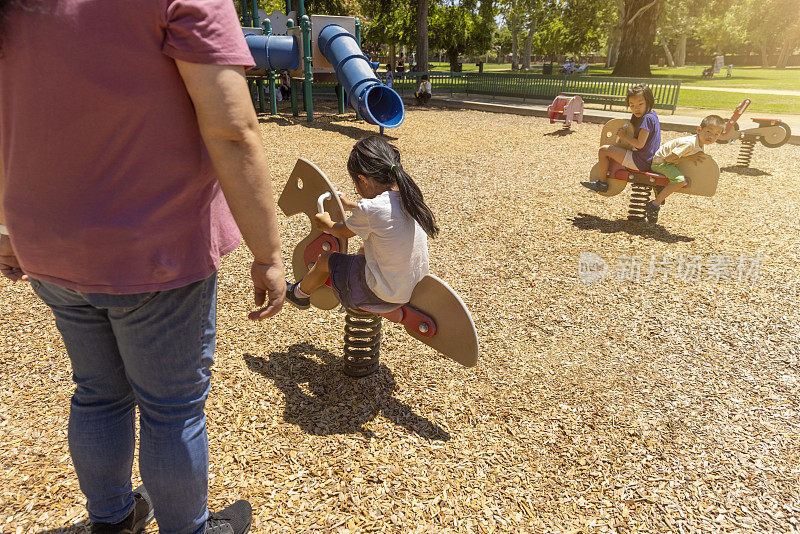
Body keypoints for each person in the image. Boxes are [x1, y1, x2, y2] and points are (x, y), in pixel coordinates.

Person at [0, 1, 285, 533]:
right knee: (171, 410)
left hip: (49, 247)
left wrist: (6, 224)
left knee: (97, 392)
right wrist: (267, 254)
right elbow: (232, 130)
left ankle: (112, 519)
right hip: (155, 249)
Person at [285, 136, 439, 314]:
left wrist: (326, 223)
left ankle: (299, 294)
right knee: (363, 250)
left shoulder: (371, 208)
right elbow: (384, 215)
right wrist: (351, 206)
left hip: (383, 294)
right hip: (412, 289)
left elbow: (341, 232)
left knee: (326, 258)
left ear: (362, 180)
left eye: (355, 183)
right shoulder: (409, 198)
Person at [644, 115, 726, 222]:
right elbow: (668, 159)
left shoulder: (699, 143)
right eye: (708, 132)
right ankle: (654, 205)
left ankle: (661, 190)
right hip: (660, 163)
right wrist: (690, 158)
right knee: (680, 181)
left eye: (716, 134)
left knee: (681, 177)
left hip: (669, 163)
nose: (711, 137)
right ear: (699, 130)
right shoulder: (689, 144)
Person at [581, 84, 661, 193]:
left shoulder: (646, 119)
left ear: (648, 101)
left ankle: (602, 183)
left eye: (640, 104)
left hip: (640, 161)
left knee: (603, 150)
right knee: (614, 149)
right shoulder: (652, 115)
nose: (635, 108)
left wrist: (624, 136)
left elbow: (639, 144)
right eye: (632, 105)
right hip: (647, 159)